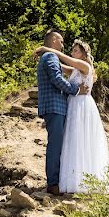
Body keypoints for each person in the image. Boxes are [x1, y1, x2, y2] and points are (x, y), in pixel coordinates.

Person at [35, 39, 109, 194]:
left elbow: (65, 59)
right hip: (73, 105)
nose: (72, 52)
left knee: (80, 140)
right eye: (72, 50)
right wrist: (46, 59)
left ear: (83, 54)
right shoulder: (76, 69)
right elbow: (60, 66)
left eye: (76, 50)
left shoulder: (84, 66)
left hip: (82, 105)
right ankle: (71, 178)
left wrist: (46, 49)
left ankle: (82, 180)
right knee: (71, 141)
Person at [36, 30, 89, 195]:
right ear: (53, 40)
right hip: (54, 107)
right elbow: (57, 80)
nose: (63, 45)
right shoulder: (50, 57)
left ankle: (61, 180)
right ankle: (53, 183)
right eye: (61, 41)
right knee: (55, 145)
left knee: (61, 145)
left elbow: (64, 70)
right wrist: (75, 90)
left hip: (57, 107)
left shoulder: (52, 57)